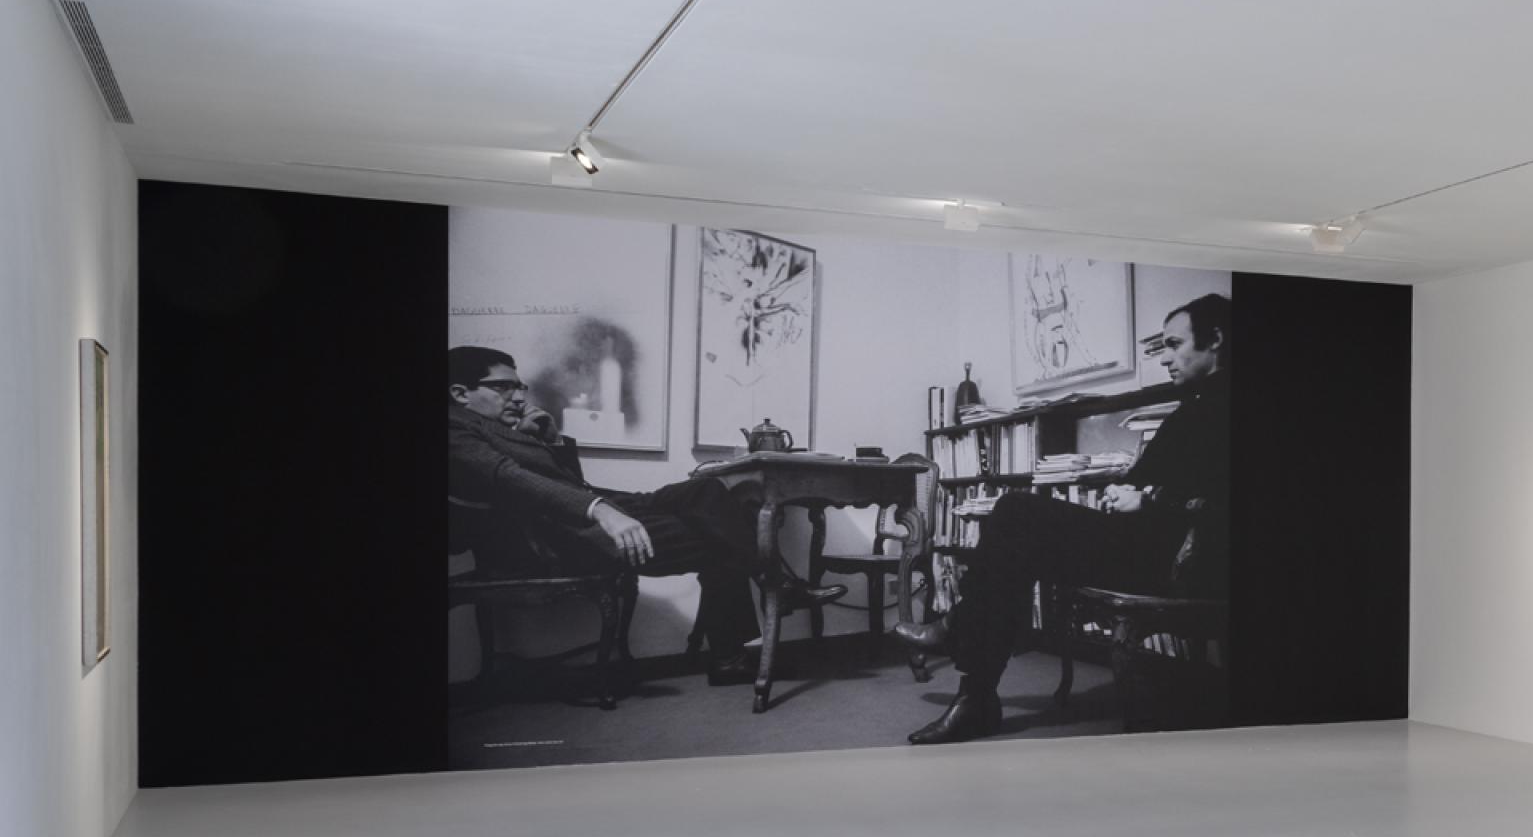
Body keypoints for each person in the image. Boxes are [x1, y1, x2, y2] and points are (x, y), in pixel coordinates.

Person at [900, 295, 1229, 745]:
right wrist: (1123, 490)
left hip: (1175, 562)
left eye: (1175, 344)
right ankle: (973, 689)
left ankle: (961, 642)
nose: (1165, 358)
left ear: (1216, 339)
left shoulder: (1227, 408)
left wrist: (1149, 498)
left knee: (1016, 513)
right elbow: (1153, 478)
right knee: (1013, 533)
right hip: (1141, 543)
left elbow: (1219, 498)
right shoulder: (1196, 405)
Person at [446, 346, 836, 688]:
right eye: (504, 387)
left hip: (599, 507)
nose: (518, 396)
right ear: (460, 393)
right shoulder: (455, 431)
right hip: (564, 535)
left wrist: (551, 441)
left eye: (520, 387)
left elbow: (569, 482)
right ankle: (751, 626)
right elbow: (510, 478)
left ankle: (756, 617)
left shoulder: (501, 429)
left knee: (708, 491)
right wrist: (601, 511)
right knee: (724, 535)